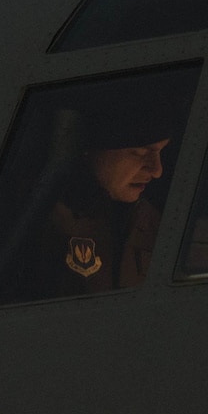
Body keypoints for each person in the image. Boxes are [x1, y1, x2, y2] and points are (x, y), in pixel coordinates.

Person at [30, 116, 171, 299]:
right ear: (91, 149)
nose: (157, 170)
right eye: (140, 152)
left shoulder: (154, 224)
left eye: (160, 151)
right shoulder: (38, 219)